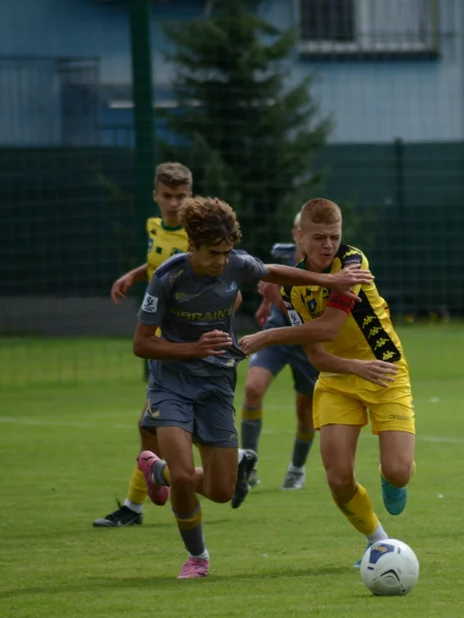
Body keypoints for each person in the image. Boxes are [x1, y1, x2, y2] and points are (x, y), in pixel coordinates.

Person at [132, 196, 373, 579]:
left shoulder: (234, 264)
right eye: (214, 253)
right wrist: (192, 348)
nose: (223, 261)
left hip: (216, 386)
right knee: (183, 476)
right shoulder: (167, 278)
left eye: (228, 252)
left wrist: (330, 279)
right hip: (172, 384)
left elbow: (276, 273)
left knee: (222, 490)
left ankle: (155, 471)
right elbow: (141, 343)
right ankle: (198, 558)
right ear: (193, 245)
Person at [238, 198, 413, 567]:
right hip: (337, 379)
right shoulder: (292, 289)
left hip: (385, 371)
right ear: (300, 237)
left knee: (399, 472)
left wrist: (266, 337)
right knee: (338, 479)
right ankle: (377, 542)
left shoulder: (353, 263)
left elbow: (330, 326)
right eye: (319, 237)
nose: (328, 245)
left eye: (334, 236)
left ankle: (391, 476)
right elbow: (317, 356)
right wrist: (352, 368)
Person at [93, 162, 191, 527]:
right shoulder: (154, 227)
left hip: (181, 345)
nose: (174, 203)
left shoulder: (196, 237)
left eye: (181, 196)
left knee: (155, 426)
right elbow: (158, 264)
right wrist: (133, 275)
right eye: (167, 196)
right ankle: (135, 507)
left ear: (190, 196)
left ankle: (235, 463)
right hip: (162, 344)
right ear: (155, 196)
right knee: (153, 427)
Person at [234, 212, 319, 503]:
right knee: (252, 388)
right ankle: (248, 463)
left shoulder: (324, 267)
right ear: (298, 234)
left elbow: (311, 313)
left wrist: (277, 296)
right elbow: (274, 284)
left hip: (308, 339)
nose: (319, 242)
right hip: (276, 331)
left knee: (305, 411)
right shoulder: (281, 254)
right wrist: (265, 303)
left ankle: (297, 469)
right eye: (309, 233)